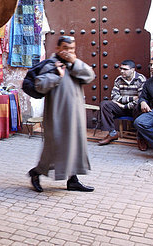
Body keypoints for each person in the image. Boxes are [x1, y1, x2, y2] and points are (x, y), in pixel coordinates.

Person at [27, 35, 96, 192]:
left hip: (75, 114)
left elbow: (90, 76)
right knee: (54, 147)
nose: (68, 52)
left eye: (71, 48)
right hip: (57, 114)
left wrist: (74, 63)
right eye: (65, 48)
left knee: (74, 145)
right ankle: (36, 173)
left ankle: (73, 180)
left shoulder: (75, 64)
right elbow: (40, 86)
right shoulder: (50, 65)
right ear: (58, 49)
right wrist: (57, 75)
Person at [97, 60, 146, 146]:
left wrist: (125, 106)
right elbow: (114, 97)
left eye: (125, 69)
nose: (122, 71)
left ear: (133, 70)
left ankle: (141, 137)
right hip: (122, 107)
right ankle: (112, 133)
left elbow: (141, 99)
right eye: (121, 69)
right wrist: (130, 98)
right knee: (105, 104)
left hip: (134, 108)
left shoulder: (140, 79)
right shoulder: (119, 79)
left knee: (139, 105)